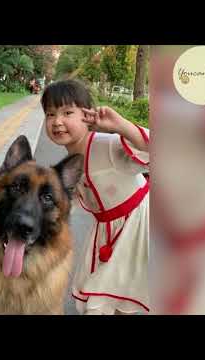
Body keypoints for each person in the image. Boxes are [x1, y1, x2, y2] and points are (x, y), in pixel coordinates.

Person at [41, 79, 149, 315]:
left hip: (139, 226)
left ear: (87, 115)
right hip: (107, 230)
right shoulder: (70, 162)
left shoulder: (106, 145)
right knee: (110, 298)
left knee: (112, 296)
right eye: (50, 114)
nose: (57, 122)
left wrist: (121, 127)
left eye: (67, 112)